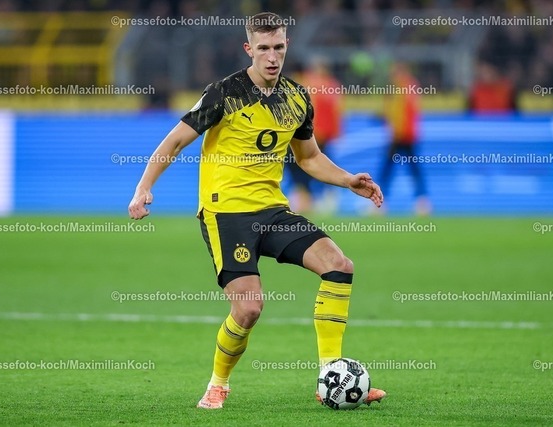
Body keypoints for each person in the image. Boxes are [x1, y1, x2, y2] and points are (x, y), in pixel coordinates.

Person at [128, 12, 386, 410]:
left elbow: (309, 157)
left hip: (273, 211)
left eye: (278, 47)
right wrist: (144, 187)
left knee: (340, 266)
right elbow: (175, 140)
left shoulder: (297, 98)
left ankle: (330, 378)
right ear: (249, 49)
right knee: (248, 309)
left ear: (287, 46)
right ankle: (218, 384)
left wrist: (347, 180)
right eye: (263, 48)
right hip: (226, 214)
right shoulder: (224, 93)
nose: (272, 57)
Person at [286, 56, 343, 213]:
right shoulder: (332, 85)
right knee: (317, 165)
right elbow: (336, 111)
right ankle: (316, 195)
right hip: (320, 134)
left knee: (301, 164)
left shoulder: (310, 83)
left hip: (313, 133)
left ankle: (307, 196)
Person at [379, 62, 431, 216]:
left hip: (401, 136)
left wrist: (395, 130)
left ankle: (380, 201)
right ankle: (422, 201)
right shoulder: (409, 86)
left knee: (389, 169)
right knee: (412, 169)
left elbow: (400, 113)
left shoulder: (402, 88)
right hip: (406, 135)